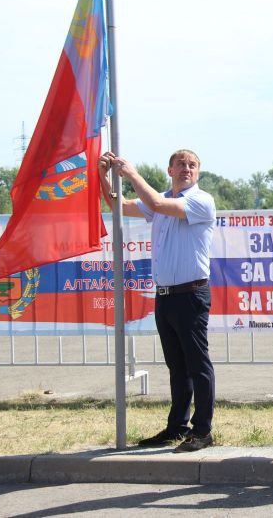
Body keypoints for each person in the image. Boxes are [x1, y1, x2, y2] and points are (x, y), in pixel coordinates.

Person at [98, 149, 216, 453]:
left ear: (198, 172)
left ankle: (203, 431)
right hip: (165, 296)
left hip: (190, 294)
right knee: (177, 367)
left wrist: (131, 173)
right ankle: (177, 427)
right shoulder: (162, 198)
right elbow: (119, 205)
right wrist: (103, 176)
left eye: (192, 165)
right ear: (169, 170)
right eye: (181, 164)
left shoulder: (200, 200)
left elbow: (156, 205)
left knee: (197, 365)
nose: (186, 169)